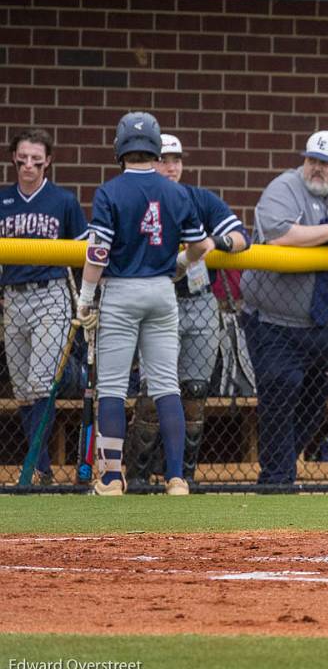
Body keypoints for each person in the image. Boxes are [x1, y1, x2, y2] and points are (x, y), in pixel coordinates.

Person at [76, 112, 212, 496]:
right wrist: (179, 266)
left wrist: (85, 299)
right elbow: (200, 245)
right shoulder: (176, 191)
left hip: (121, 290)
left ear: (120, 147)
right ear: (155, 147)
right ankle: (176, 479)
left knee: (114, 388)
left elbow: (98, 254)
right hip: (161, 290)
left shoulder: (109, 191)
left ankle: (110, 478)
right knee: (167, 385)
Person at [123, 133, 250, 490]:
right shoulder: (138, 198)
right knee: (153, 392)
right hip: (155, 297)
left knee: (194, 390)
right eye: (164, 159)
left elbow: (242, 237)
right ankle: (138, 476)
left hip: (198, 300)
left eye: (176, 160)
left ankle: (182, 475)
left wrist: (216, 242)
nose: (171, 166)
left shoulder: (198, 198)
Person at [240, 131, 328, 488]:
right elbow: (280, 234)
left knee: (315, 398)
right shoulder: (284, 187)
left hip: (327, 325)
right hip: (274, 321)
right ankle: (276, 478)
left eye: (325, 163)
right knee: (282, 385)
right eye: (312, 160)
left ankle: (284, 464)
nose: (316, 169)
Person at [2, 128, 88, 485]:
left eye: (36, 159)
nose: (29, 165)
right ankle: (42, 469)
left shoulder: (62, 201)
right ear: (14, 159)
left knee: (41, 380)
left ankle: (36, 469)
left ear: (48, 161)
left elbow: (84, 250)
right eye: (23, 158)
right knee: (23, 386)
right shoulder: (3, 200)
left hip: (50, 293)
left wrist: (88, 296)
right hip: (11, 295)